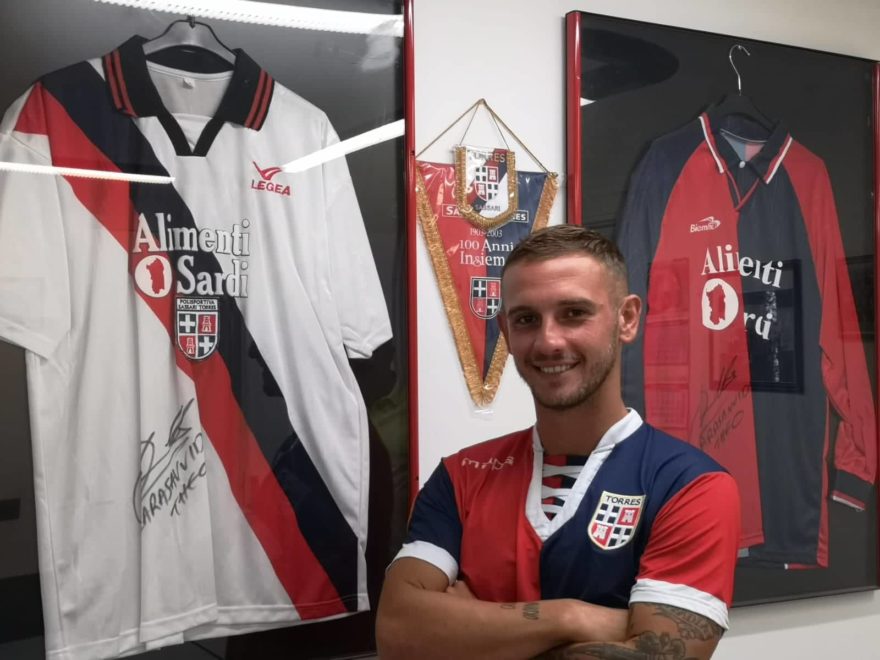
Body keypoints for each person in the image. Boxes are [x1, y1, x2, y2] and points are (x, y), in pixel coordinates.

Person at [376, 224, 740, 659]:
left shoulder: (691, 486)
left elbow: (660, 654)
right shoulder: (461, 476)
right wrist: (573, 616)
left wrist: (470, 629)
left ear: (626, 319)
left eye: (574, 313)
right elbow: (398, 632)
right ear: (506, 331)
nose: (548, 341)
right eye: (526, 319)